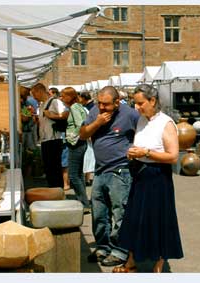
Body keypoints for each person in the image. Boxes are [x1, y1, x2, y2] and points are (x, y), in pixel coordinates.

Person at [112, 84, 183, 273]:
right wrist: (133, 153)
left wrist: (146, 152)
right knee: (135, 219)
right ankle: (131, 261)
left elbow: (173, 156)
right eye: (135, 103)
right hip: (140, 175)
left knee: (159, 220)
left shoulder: (166, 123)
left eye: (140, 103)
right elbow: (141, 145)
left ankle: (159, 265)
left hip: (158, 177)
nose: (137, 107)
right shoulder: (142, 120)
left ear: (152, 101)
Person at [80, 86, 139, 267]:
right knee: (99, 213)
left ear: (117, 102)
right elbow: (82, 135)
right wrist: (97, 122)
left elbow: (144, 133)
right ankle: (102, 247)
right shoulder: (95, 113)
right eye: (99, 103)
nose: (102, 107)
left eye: (106, 104)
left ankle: (119, 250)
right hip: (100, 170)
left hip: (120, 171)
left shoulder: (130, 115)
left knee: (119, 212)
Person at [30, 83, 68, 188]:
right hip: (45, 140)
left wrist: (52, 115)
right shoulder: (42, 104)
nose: (33, 97)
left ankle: (57, 190)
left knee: (54, 167)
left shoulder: (55, 102)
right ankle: (52, 190)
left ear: (40, 91)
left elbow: (65, 114)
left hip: (54, 139)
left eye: (34, 94)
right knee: (48, 168)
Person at [60, 87, 89, 208]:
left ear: (69, 96)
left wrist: (73, 137)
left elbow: (80, 123)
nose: (61, 98)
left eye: (63, 96)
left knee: (73, 175)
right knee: (78, 174)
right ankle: (82, 200)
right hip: (80, 142)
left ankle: (83, 203)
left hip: (76, 143)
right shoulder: (78, 106)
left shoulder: (74, 107)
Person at [78, 91, 96, 186]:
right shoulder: (90, 106)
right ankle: (87, 178)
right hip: (89, 134)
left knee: (87, 157)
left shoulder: (88, 107)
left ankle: (86, 178)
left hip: (88, 134)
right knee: (89, 157)